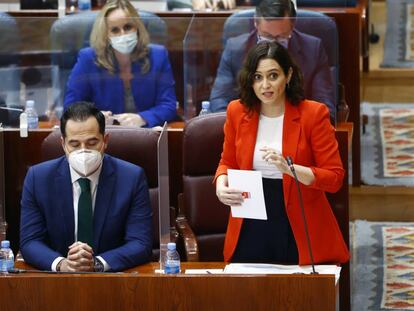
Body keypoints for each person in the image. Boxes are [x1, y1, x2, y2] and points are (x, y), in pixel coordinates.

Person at [214, 41, 349, 265]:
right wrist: (221, 184)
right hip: (251, 217)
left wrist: (290, 169)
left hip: (297, 221)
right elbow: (227, 161)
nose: (265, 85)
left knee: (297, 296)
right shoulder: (237, 111)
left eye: (273, 75)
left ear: (288, 75)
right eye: (257, 77)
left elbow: (334, 178)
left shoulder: (313, 114)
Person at [20, 102, 153, 272]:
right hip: (58, 282)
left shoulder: (132, 177)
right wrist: (63, 264)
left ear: (105, 141)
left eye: (92, 143)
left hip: (113, 280)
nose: (83, 151)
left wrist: (96, 263)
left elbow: (140, 243)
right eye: (74, 144)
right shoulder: (38, 178)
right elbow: (30, 241)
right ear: (63, 144)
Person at [210, 0, 335, 122]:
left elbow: (325, 106)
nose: (273, 45)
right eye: (267, 36)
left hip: (297, 128)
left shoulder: (313, 48)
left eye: (281, 37)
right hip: (248, 126)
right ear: (256, 23)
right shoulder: (235, 49)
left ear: (292, 25)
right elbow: (219, 100)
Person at [64, 0, 177, 128]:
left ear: (137, 28)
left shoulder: (158, 56)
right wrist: (95, 117)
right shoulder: (88, 58)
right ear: (106, 34)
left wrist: (142, 118)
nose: (123, 34)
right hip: (103, 138)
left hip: (146, 136)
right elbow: (70, 108)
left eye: (128, 27)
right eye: (115, 30)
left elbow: (168, 106)